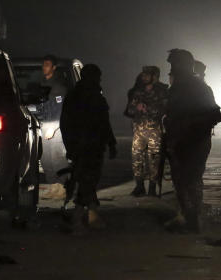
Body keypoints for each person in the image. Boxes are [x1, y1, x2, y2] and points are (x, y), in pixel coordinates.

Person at [162, 49, 220, 233]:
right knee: (184, 181)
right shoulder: (181, 87)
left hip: (191, 142)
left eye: (174, 64)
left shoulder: (196, 88)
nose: (172, 68)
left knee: (189, 180)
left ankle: (192, 220)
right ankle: (188, 217)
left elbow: (213, 114)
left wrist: (187, 129)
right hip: (182, 141)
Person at [59, 63, 117, 233]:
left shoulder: (74, 96)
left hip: (83, 146)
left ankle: (92, 215)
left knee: (87, 180)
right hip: (90, 147)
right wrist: (111, 143)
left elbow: (65, 124)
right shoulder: (92, 97)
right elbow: (103, 123)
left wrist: (70, 146)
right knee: (87, 181)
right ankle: (77, 218)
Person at [125, 65, 168, 197]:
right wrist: (137, 108)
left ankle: (152, 188)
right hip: (139, 131)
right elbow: (129, 110)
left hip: (154, 131)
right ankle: (139, 186)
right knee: (137, 158)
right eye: (143, 74)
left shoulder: (162, 91)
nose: (143, 77)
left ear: (154, 76)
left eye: (146, 75)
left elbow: (164, 109)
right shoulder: (138, 92)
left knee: (154, 159)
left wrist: (147, 108)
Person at [40, 54, 68, 121]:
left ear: (54, 67)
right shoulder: (41, 83)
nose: (44, 67)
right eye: (43, 65)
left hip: (53, 120)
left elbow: (58, 106)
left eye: (47, 65)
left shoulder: (59, 86)